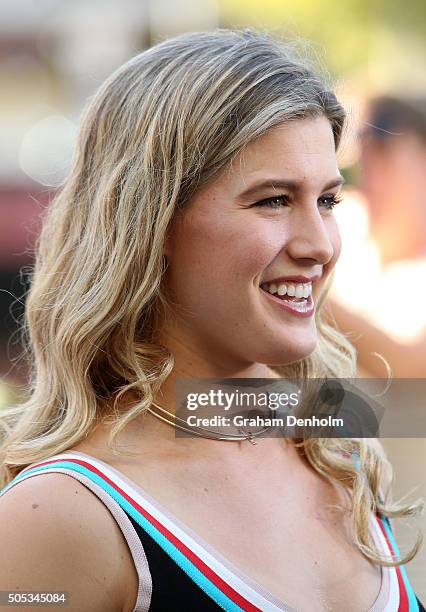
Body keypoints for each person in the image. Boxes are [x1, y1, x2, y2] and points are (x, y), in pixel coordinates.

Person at [0, 30, 424, 611]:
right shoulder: (64, 513)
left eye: (327, 201)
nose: (320, 245)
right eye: (272, 200)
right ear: (150, 222)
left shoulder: (333, 444)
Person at [329, 95, 426, 378]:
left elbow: (412, 368)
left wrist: (306, 298)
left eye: (384, 152)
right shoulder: (340, 220)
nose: (367, 174)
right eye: (361, 152)